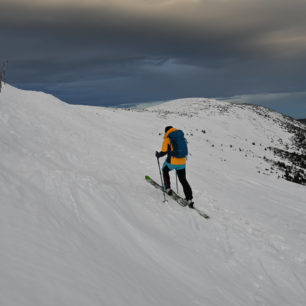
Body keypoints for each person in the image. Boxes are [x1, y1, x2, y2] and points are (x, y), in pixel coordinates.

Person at [155, 126, 194, 208]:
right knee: (183, 180)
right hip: (182, 161)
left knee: (165, 170)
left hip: (172, 161)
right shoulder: (180, 136)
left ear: (166, 132)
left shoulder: (167, 139)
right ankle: (189, 199)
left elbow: (164, 151)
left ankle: (167, 188)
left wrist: (158, 155)